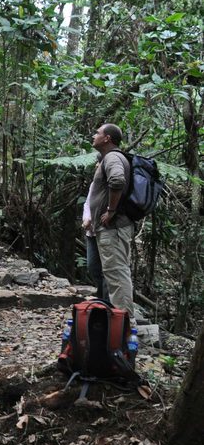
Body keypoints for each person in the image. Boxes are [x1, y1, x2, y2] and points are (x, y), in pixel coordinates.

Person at [88, 123, 134, 322]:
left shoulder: (113, 157)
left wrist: (111, 211)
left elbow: (117, 180)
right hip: (110, 229)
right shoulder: (107, 158)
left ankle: (124, 324)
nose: (94, 135)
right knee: (113, 273)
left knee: (116, 273)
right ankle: (118, 322)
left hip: (113, 229)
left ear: (107, 138)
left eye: (97, 133)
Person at [82, 161, 109, 302]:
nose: (97, 166)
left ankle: (106, 302)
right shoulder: (94, 184)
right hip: (92, 232)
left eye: (100, 163)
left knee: (107, 269)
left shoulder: (110, 184)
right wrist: (87, 219)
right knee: (93, 266)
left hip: (106, 230)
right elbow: (88, 203)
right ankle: (100, 295)